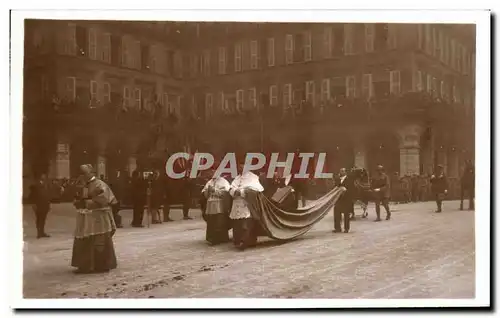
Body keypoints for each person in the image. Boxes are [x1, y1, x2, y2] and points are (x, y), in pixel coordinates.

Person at [71, 164, 117, 274]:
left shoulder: (100, 184)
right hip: (85, 217)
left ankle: (101, 265)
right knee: (84, 239)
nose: (82, 176)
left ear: (91, 173)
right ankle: (85, 265)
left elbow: (105, 199)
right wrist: (77, 201)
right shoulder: (81, 184)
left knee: (99, 240)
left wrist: (87, 203)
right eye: (81, 173)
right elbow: (76, 196)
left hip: (98, 217)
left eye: (85, 173)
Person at [229, 164, 265, 250]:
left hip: (247, 204)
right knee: (237, 223)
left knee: (246, 223)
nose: (240, 168)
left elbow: (256, 190)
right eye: (239, 166)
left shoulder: (253, 177)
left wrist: (241, 192)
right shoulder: (237, 178)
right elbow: (231, 188)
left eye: (242, 166)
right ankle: (237, 240)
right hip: (237, 203)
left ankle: (246, 241)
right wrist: (234, 192)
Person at [201, 170, 232, 245]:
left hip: (219, 204)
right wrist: (208, 190)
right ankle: (212, 238)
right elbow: (204, 192)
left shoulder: (223, 181)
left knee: (219, 221)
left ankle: (220, 238)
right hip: (210, 204)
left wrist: (215, 190)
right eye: (210, 172)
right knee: (211, 222)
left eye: (213, 172)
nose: (211, 173)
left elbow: (226, 193)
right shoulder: (209, 181)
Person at [30, 173, 51, 238]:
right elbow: (32, 196)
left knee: (43, 219)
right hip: (38, 205)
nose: (44, 178)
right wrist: (33, 204)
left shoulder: (46, 185)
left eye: (45, 176)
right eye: (43, 176)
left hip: (45, 205)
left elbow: (48, 195)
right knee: (39, 219)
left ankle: (42, 232)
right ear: (40, 178)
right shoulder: (36, 186)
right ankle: (39, 233)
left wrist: (49, 205)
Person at [333, 168, 354, 233]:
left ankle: (346, 228)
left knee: (346, 214)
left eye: (342, 171)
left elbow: (352, 190)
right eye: (340, 171)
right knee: (336, 213)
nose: (341, 172)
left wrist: (345, 190)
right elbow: (334, 187)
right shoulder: (337, 179)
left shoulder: (349, 180)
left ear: (345, 172)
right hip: (338, 199)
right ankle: (337, 228)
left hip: (346, 199)